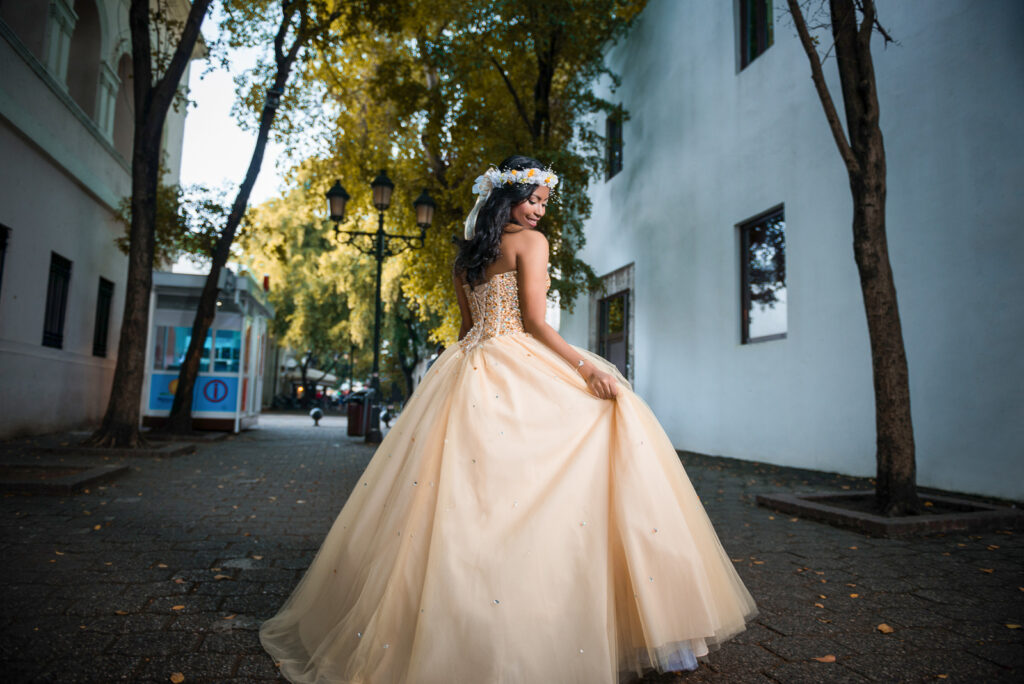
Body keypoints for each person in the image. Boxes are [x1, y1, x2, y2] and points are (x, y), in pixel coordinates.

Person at [258, 155, 757, 683]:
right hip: (514, 360)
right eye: (532, 200)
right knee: (612, 421)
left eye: (544, 202)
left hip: (466, 368)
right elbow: (537, 324)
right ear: (506, 199)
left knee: (459, 497)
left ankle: (461, 617)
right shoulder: (532, 245)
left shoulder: (466, 259)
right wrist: (589, 369)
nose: (539, 211)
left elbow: (467, 328)